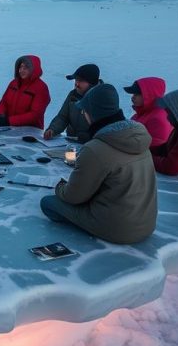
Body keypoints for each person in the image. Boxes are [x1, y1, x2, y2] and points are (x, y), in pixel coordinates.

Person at [40, 84, 157, 244]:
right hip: (146, 224)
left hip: (118, 229)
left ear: (93, 113)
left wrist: (60, 186)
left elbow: (73, 197)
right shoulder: (138, 137)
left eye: (85, 109)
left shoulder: (96, 149)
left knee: (48, 203)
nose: (82, 112)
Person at [44, 63, 101, 143]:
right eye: (76, 80)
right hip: (71, 142)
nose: (76, 84)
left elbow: (105, 128)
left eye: (80, 81)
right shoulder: (73, 95)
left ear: (91, 83)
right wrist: (52, 129)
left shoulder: (102, 98)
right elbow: (63, 117)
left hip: (92, 146)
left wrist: (87, 137)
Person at [0, 55, 51, 128]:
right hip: (9, 128)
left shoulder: (41, 88)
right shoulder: (14, 83)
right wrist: (0, 115)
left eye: (26, 68)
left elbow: (35, 114)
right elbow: (4, 102)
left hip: (30, 131)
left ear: (33, 69)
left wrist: (9, 121)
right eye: (20, 67)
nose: (21, 70)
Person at [124, 77, 173, 149]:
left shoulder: (158, 120)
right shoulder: (140, 114)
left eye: (137, 94)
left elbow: (156, 151)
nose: (133, 97)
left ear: (149, 95)